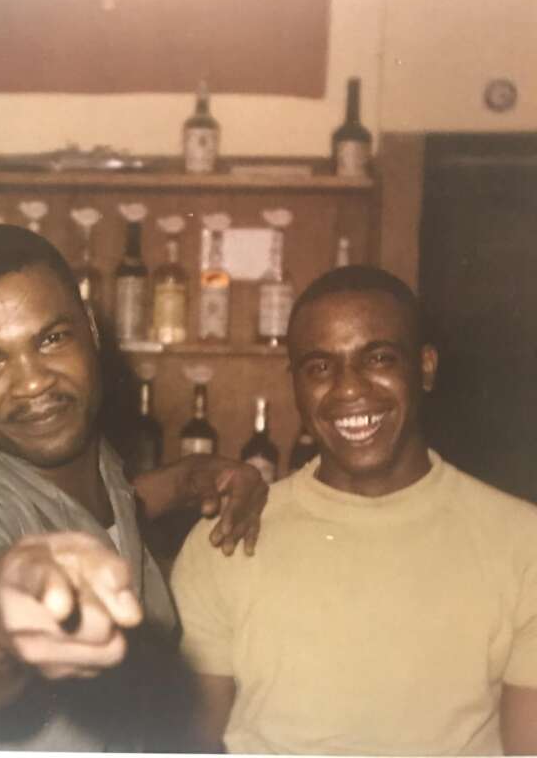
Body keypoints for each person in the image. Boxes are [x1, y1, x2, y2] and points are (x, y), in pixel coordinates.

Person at [0, 224, 267, 750]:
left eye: (51, 339)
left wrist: (192, 479)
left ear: (91, 329)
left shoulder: (64, 443)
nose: (33, 382)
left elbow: (100, 513)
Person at [172, 265, 537, 754]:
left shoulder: (521, 541)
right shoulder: (226, 540)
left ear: (425, 367)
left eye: (379, 358)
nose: (348, 389)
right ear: (295, 386)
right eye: (320, 367)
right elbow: (189, 744)